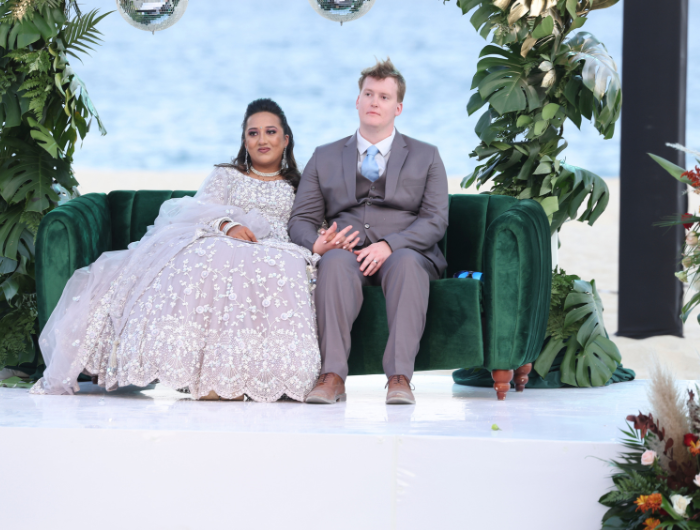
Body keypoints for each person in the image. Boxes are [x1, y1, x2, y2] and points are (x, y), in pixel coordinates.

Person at [31, 99, 360, 402]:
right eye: (253, 133)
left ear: (286, 139)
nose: (262, 139)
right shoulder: (227, 175)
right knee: (211, 255)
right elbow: (194, 212)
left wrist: (328, 238)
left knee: (279, 264)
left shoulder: (300, 185)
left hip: (277, 249)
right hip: (225, 240)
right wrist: (227, 226)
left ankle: (260, 376)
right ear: (244, 141)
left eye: (271, 132)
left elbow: (307, 224)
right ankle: (211, 379)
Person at [288, 59, 449, 405]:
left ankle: (399, 377)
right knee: (331, 264)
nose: (375, 102)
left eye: (385, 97)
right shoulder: (324, 156)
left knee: (405, 264)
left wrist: (391, 245)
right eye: (369, 94)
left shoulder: (428, 156)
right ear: (357, 101)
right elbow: (300, 219)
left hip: (407, 254)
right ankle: (332, 376)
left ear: (398, 107)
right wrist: (317, 243)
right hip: (347, 254)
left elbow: (435, 220)